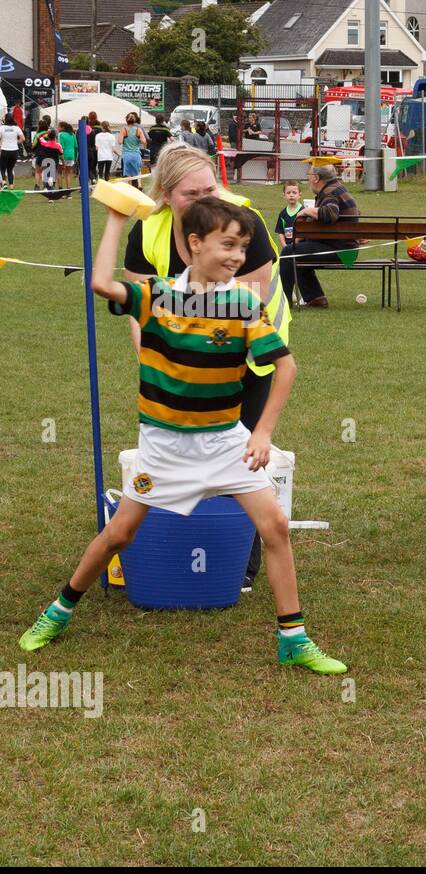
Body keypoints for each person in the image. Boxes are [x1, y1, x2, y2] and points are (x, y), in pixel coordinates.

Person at [18, 197, 346, 676]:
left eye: (243, 246)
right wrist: (114, 220)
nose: (237, 256)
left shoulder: (243, 303)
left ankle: (292, 638)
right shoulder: (157, 295)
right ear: (195, 244)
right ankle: (58, 612)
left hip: (225, 443)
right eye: (227, 245)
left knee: (274, 527)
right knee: (120, 534)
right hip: (164, 448)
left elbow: (286, 366)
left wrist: (262, 432)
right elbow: (101, 284)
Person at [123, 144, 294, 590]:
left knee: (244, 455)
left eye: (208, 189)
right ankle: (181, 542)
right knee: (178, 448)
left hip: (249, 353)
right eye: (189, 194)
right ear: (164, 194)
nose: (201, 200)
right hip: (182, 358)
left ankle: (243, 564)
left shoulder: (243, 222)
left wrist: (215, 364)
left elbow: (250, 298)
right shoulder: (148, 230)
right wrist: (153, 362)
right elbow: (138, 309)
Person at [279, 163, 359, 308]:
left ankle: (285, 301)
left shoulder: (330, 193)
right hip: (346, 249)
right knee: (300, 250)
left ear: (316, 178)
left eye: (309, 176)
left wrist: (308, 211)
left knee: (288, 252)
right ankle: (316, 298)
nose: (308, 180)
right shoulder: (338, 189)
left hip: (340, 252)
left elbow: (330, 213)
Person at [274, 181, 304, 250]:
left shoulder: (303, 211)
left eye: (294, 192)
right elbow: (280, 231)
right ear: (284, 195)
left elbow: (304, 231)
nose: (291, 195)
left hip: (300, 246)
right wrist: (284, 245)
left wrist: (295, 242)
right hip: (287, 247)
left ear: (299, 195)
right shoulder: (282, 213)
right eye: (288, 193)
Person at [118, 112, 145, 187]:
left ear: (126, 120)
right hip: (136, 154)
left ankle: (127, 189)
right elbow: (144, 141)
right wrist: (138, 139)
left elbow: (119, 142)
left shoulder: (124, 129)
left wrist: (125, 138)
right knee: (137, 173)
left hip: (127, 155)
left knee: (127, 174)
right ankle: (139, 186)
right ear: (135, 120)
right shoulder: (138, 130)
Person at [0, 112, 24, 188]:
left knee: (2, 168)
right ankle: (11, 186)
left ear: (5, 119)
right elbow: (23, 139)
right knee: (10, 169)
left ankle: (4, 182)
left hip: (5, 150)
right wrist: (15, 142)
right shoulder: (16, 128)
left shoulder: (2, 128)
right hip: (14, 151)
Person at [56, 121, 77, 189]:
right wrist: (75, 157)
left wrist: (59, 156)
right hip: (71, 156)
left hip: (63, 156)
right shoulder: (72, 134)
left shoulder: (60, 134)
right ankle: (68, 191)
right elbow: (76, 146)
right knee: (68, 173)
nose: (57, 128)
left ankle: (60, 189)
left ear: (62, 128)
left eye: (58, 126)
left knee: (59, 172)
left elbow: (60, 146)